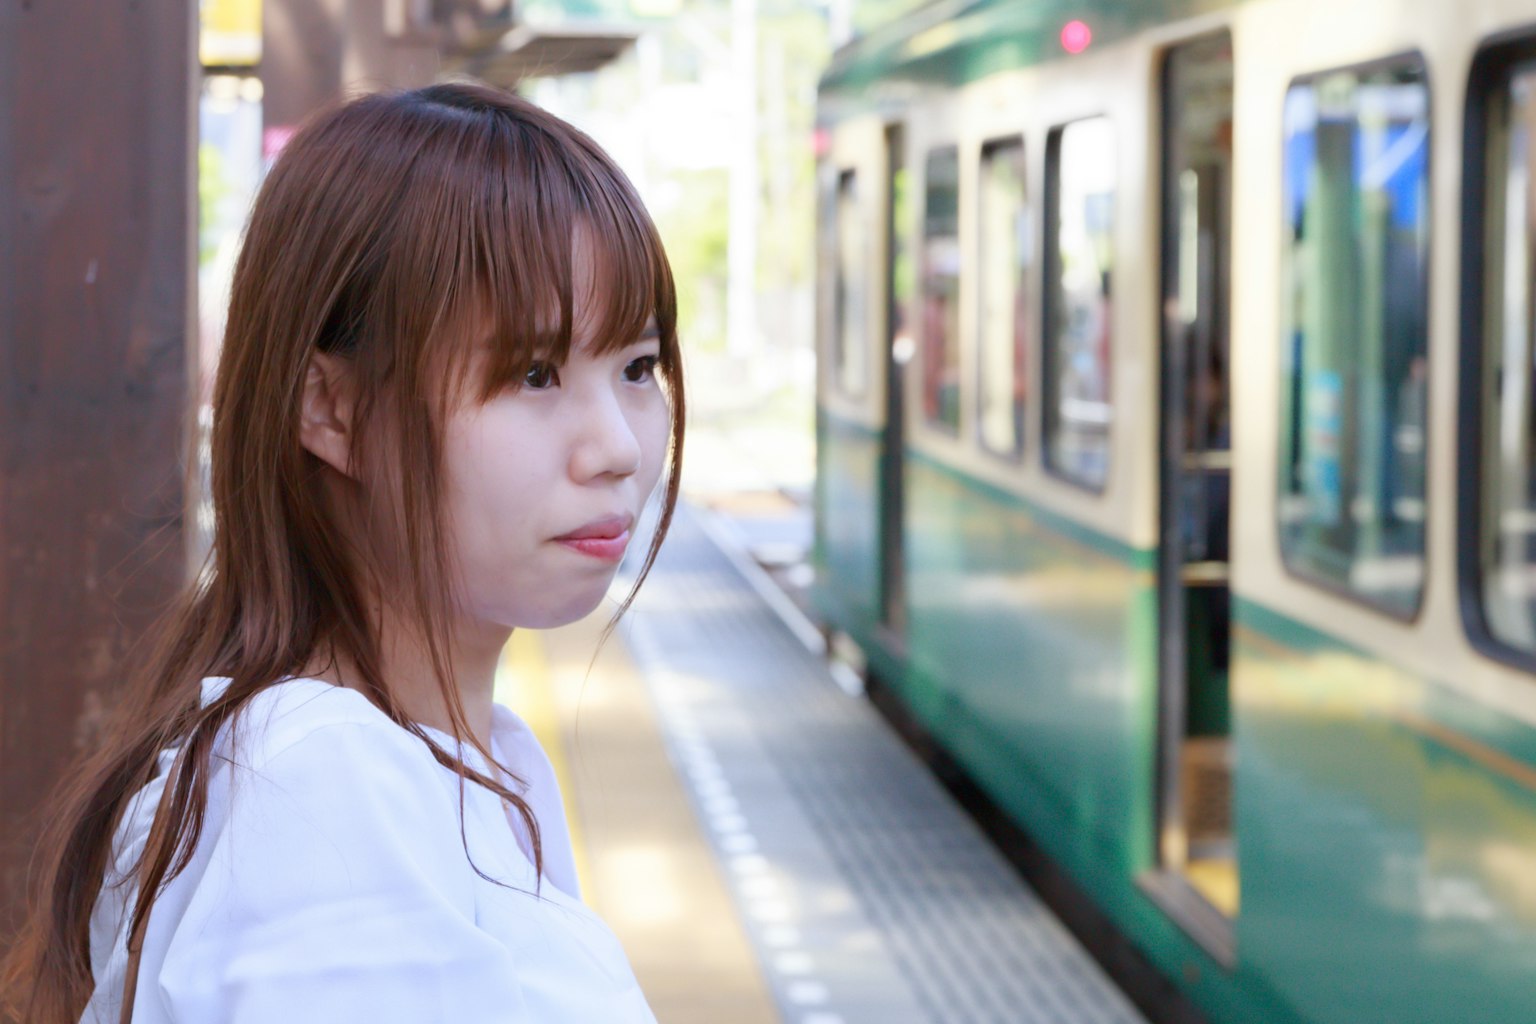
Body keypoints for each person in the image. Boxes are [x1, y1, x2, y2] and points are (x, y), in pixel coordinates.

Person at [0, 81, 683, 1023]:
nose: (617, 446)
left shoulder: (454, 760)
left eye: (638, 368)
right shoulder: (321, 789)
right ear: (333, 409)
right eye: (533, 374)